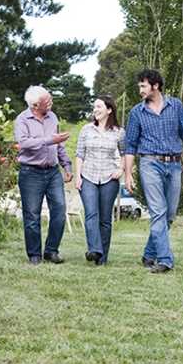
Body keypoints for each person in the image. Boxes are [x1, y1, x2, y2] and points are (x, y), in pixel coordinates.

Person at [123, 69, 183, 273]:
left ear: (155, 86)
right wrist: (128, 173)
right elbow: (130, 146)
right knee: (158, 211)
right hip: (149, 163)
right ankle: (165, 259)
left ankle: (149, 253)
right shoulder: (136, 113)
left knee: (169, 214)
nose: (140, 89)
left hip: (175, 164)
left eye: (143, 86)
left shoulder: (176, 106)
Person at [14, 85, 72, 264]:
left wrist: (67, 165)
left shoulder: (52, 117)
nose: (51, 102)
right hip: (31, 172)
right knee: (32, 215)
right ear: (35, 105)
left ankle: (51, 251)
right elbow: (24, 143)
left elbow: (59, 145)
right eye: (48, 101)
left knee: (60, 211)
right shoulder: (22, 120)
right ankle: (34, 255)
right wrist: (50, 140)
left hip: (53, 171)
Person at [75, 96, 125, 266]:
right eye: (94, 107)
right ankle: (94, 249)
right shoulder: (86, 130)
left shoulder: (119, 132)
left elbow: (126, 153)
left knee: (105, 219)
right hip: (88, 176)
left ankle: (102, 258)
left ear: (109, 110)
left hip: (109, 178)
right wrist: (78, 177)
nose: (95, 110)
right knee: (91, 214)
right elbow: (80, 154)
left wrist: (121, 169)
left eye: (99, 107)